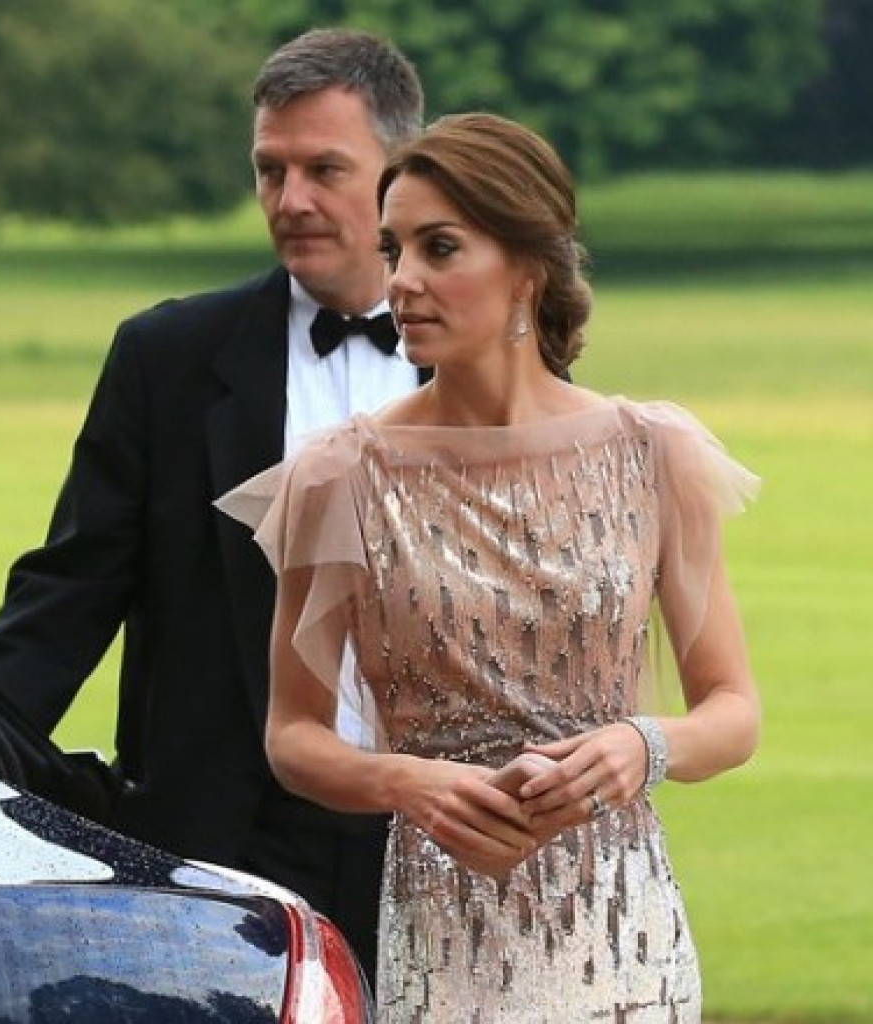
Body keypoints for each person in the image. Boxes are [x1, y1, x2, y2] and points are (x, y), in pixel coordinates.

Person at [217, 113, 761, 1021]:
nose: (402, 280)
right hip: (444, 938)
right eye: (393, 250)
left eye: (439, 248)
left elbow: (733, 711)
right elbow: (294, 736)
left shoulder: (652, 451)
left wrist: (642, 746)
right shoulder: (339, 474)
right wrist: (409, 781)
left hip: (626, 937)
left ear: (528, 267)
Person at [0, 29, 425, 984]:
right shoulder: (166, 359)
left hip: (435, 837)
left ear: (400, 173)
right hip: (223, 843)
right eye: (270, 169)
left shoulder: (491, 359)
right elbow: (67, 594)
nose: (290, 200)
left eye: (324, 169)